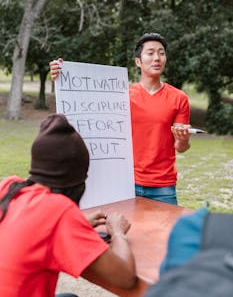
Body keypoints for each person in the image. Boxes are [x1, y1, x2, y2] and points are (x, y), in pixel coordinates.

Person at [0, 113, 137, 297]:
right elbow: (125, 278)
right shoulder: (58, 211)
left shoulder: (8, 187)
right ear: (76, 184)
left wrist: (77, 223)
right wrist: (118, 232)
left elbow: (32, 230)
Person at [49, 32, 191, 205]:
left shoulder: (179, 98)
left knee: (166, 233)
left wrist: (183, 140)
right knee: (121, 231)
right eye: (151, 53)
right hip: (123, 183)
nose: (157, 58)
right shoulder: (121, 96)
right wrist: (63, 77)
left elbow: (181, 147)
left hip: (163, 186)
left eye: (161, 53)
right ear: (138, 61)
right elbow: (85, 106)